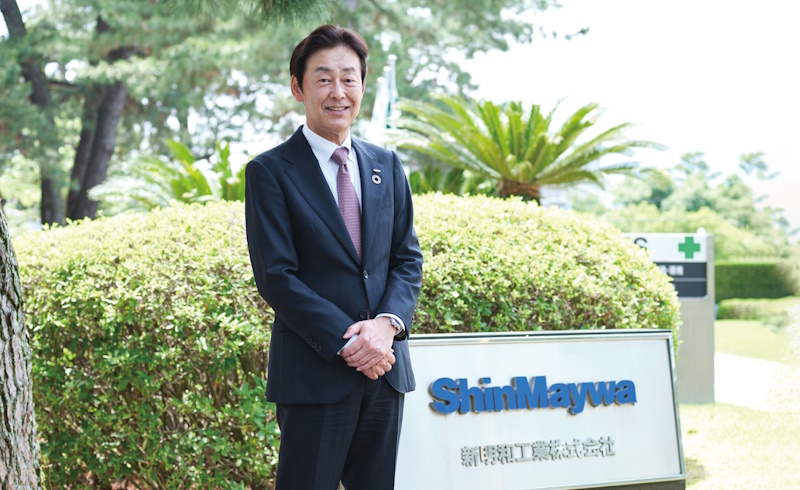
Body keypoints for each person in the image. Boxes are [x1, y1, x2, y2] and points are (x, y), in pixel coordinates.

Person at [244, 24, 423, 490]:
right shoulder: (270, 171)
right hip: (315, 372)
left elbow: (406, 259)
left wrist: (386, 327)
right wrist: (351, 343)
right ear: (298, 87)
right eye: (323, 79)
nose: (337, 92)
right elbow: (276, 275)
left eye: (349, 78)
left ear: (363, 85)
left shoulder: (387, 165)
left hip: (384, 370)